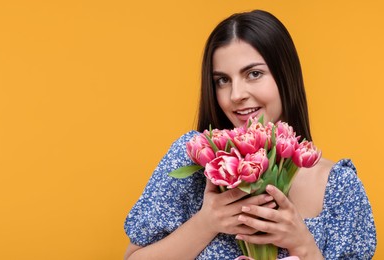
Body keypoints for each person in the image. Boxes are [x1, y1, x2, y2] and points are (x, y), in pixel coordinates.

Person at [124, 10, 377, 259]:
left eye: (253, 74)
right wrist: (206, 223)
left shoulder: (339, 187)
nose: (235, 95)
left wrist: (303, 245)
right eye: (222, 80)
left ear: (286, 76)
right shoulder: (193, 158)